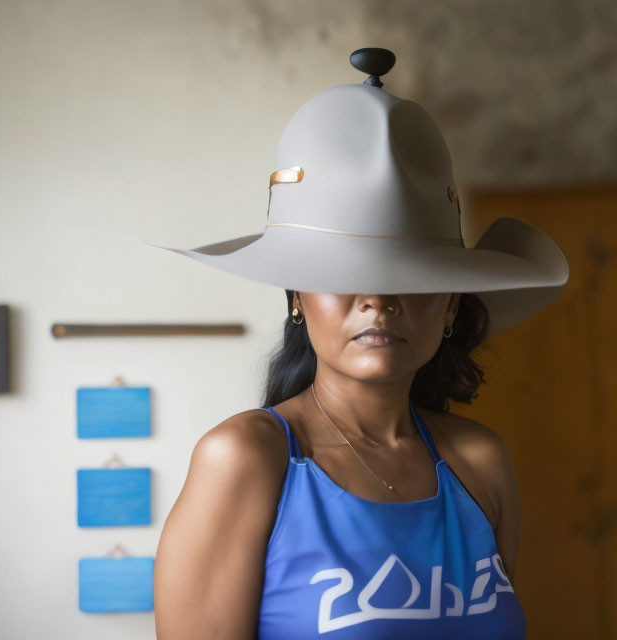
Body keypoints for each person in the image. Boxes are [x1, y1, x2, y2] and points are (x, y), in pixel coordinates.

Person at [145, 48, 568, 639]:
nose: (376, 300)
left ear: (451, 303)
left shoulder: (480, 463)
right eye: (341, 272)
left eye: (412, 276)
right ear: (296, 295)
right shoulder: (246, 458)